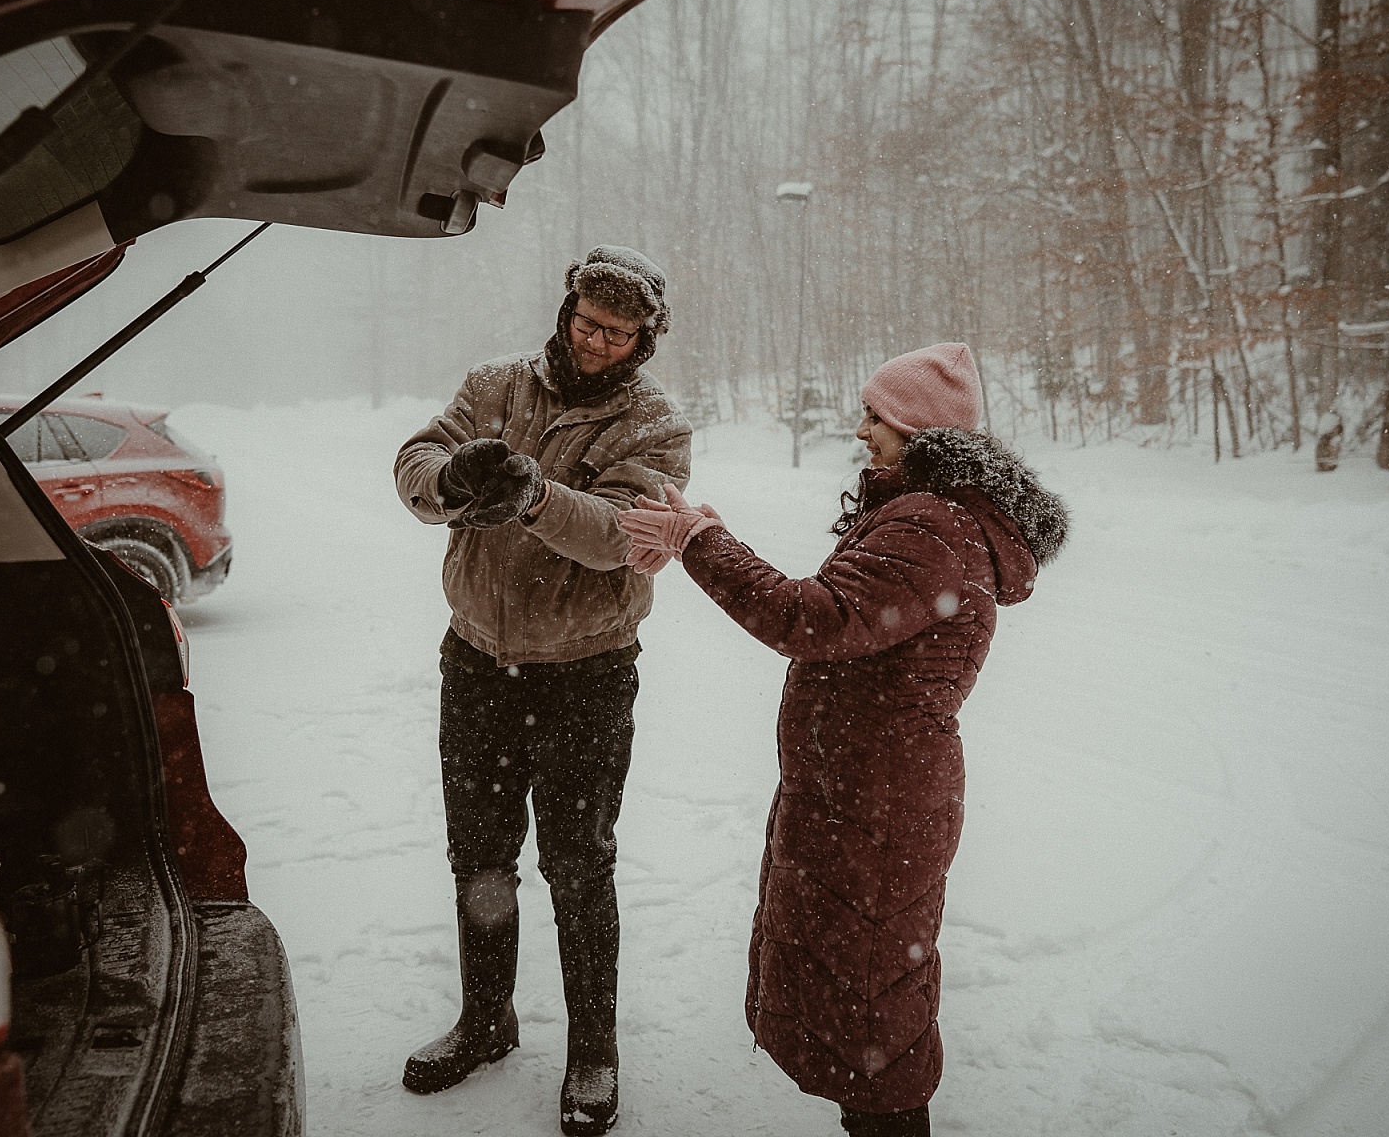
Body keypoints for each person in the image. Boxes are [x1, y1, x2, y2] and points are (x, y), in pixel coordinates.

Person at [618, 343, 1067, 1137]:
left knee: (873, 1010)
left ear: (919, 432)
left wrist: (699, 544)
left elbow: (808, 620)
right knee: (869, 992)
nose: (861, 430)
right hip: (868, 795)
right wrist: (711, 536)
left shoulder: (930, 526)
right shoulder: (932, 518)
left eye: (876, 417)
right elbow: (842, 609)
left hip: (876, 806)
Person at [392, 245, 692, 1136]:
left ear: (643, 341)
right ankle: (486, 1021)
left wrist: (531, 495)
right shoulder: (495, 385)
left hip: (586, 677)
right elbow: (418, 455)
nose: (596, 341)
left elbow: (617, 536)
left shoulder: (656, 426)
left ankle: (593, 1050)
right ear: (565, 312)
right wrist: (448, 480)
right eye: (586, 322)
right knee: (480, 855)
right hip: (478, 661)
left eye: (618, 332)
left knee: (577, 864)